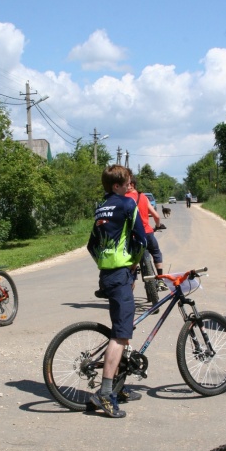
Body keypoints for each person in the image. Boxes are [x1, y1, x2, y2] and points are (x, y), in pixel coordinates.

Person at [87, 165, 147, 418]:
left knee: (121, 327)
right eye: (127, 184)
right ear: (117, 186)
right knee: (121, 335)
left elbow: (91, 245)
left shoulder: (101, 208)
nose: (130, 186)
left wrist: (105, 263)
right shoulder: (126, 205)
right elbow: (142, 239)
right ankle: (106, 393)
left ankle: (120, 386)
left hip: (107, 275)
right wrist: (134, 263)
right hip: (122, 274)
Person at [126, 174, 167, 288]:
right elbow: (156, 216)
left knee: (131, 262)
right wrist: (157, 226)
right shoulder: (143, 196)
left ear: (131, 184)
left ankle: (129, 290)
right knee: (156, 253)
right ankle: (160, 279)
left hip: (133, 236)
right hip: (147, 233)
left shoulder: (125, 198)